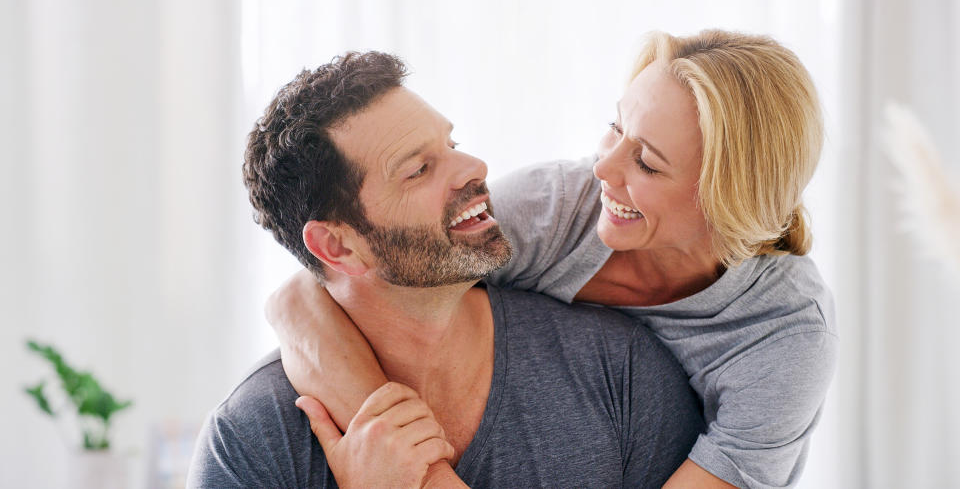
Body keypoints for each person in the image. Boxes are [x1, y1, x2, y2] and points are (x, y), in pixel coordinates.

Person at [267, 30, 838, 488]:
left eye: (648, 163)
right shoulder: (559, 209)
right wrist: (402, 461)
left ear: (725, 199)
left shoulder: (783, 337)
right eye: (616, 127)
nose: (602, 170)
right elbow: (304, 296)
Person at [187, 51, 703, 488]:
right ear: (337, 247)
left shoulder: (618, 371)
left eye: (451, 145)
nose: (474, 168)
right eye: (418, 170)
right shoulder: (252, 440)